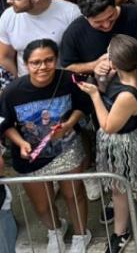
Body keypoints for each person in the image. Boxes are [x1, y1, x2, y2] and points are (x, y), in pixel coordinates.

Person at [75, 34, 137, 253]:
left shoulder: (128, 95)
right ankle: (120, 233)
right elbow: (106, 90)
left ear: (115, 62)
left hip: (127, 145)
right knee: (117, 189)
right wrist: (100, 79)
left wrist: (94, 96)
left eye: (108, 54)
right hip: (115, 145)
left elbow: (108, 125)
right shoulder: (133, 68)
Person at [0, 39, 91, 253]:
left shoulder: (69, 79)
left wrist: (69, 124)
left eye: (49, 60)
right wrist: (21, 142)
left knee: (74, 194)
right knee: (42, 204)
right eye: (36, 62)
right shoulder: (12, 92)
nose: (43, 67)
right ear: (26, 64)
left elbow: (83, 106)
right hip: (31, 155)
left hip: (66, 147)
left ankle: (81, 234)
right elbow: (5, 124)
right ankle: (55, 231)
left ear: (56, 60)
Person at [59, 0, 137, 75]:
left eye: (111, 16)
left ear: (115, 6)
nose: (106, 25)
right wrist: (94, 65)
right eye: (98, 22)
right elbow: (68, 67)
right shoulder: (74, 33)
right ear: (86, 18)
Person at [0, 0, 80, 77]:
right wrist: (18, 83)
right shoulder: (8, 16)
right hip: (25, 82)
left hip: (62, 81)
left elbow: (81, 55)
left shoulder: (71, 14)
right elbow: (5, 57)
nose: (9, 1)